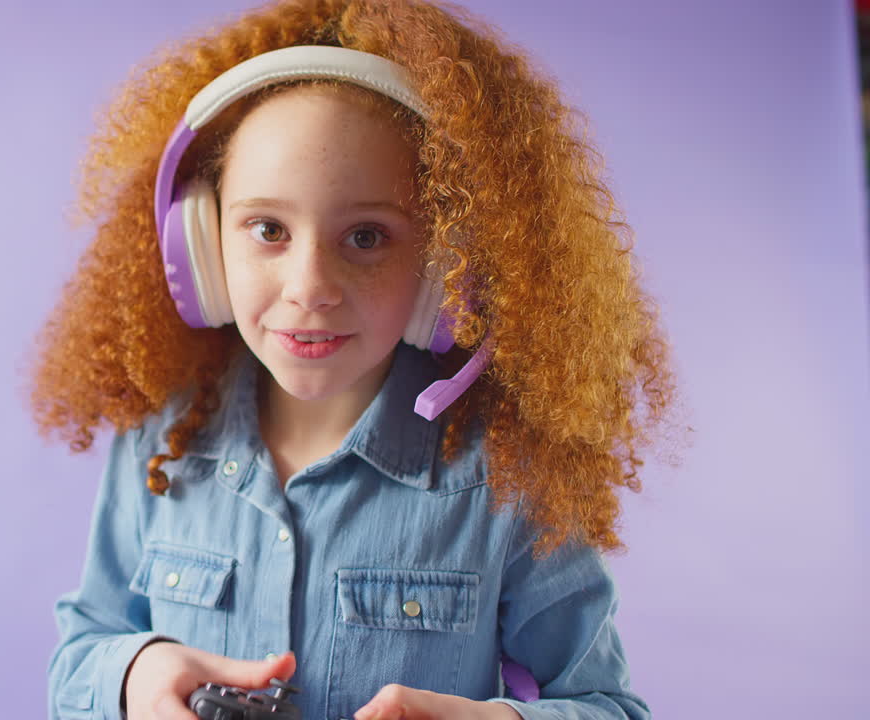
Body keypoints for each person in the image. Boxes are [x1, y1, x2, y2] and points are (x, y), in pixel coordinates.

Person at [34, 1, 675, 719]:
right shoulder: (162, 436)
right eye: (268, 229)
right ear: (202, 243)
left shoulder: (502, 474)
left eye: (367, 237)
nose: (310, 288)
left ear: (445, 271)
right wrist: (136, 674)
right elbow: (84, 648)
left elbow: (607, 706)